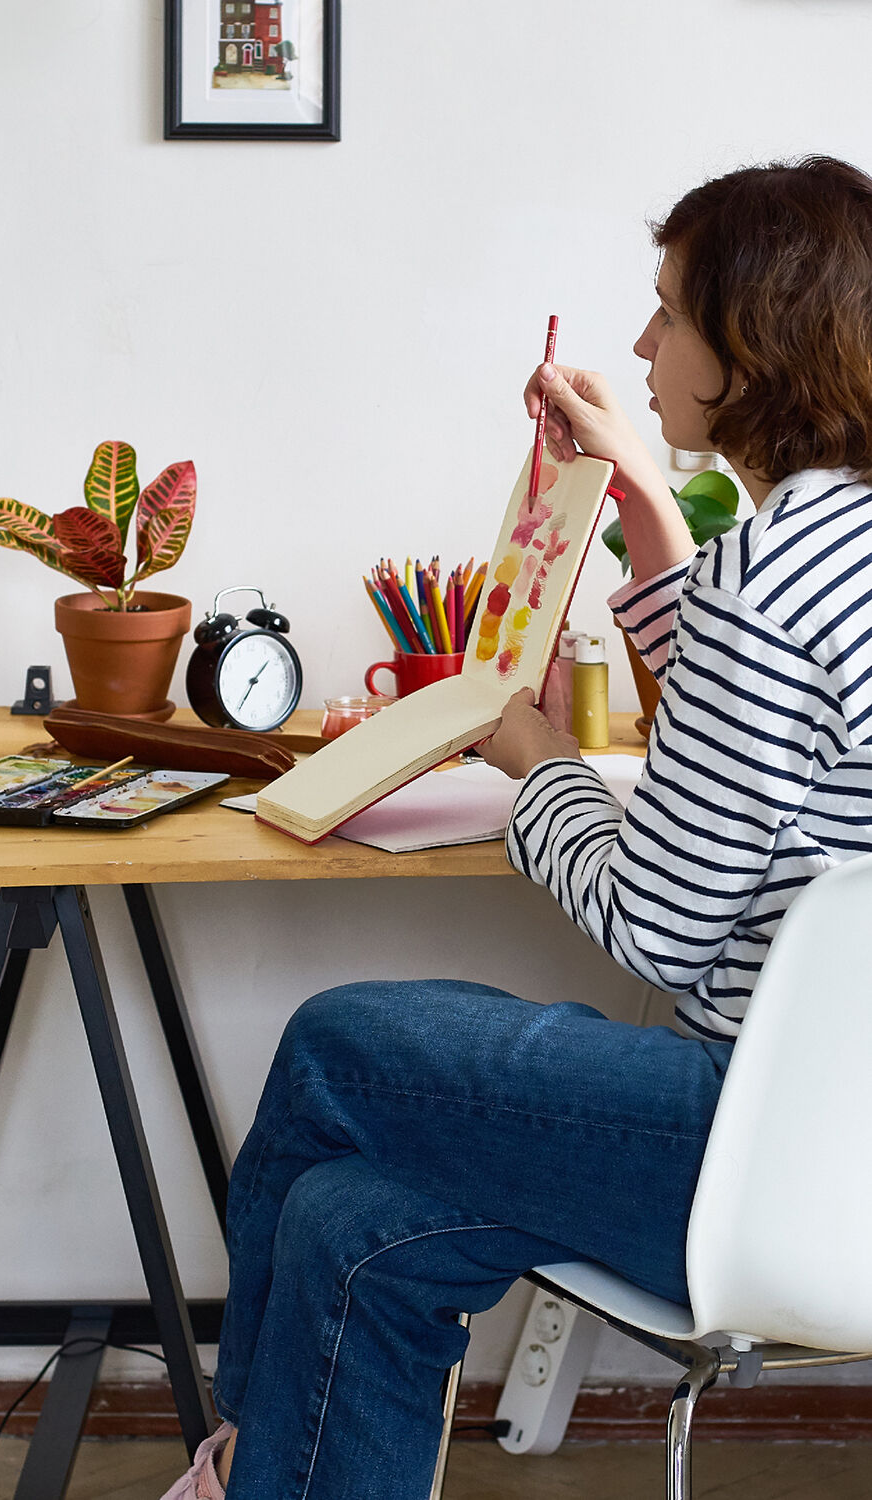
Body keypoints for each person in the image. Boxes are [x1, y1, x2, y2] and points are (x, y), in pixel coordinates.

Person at [160, 156, 872, 1500]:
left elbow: (658, 926)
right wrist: (645, 506)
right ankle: (260, 1472)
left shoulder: (768, 583)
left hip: (766, 1151)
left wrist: (533, 752)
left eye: (668, 314)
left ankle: (242, 1460)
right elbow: (759, 717)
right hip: (843, 1144)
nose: (643, 343)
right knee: (348, 1224)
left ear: (751, 346)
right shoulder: (834, 556)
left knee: (332, 1044)